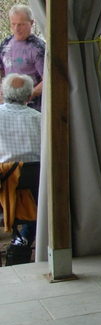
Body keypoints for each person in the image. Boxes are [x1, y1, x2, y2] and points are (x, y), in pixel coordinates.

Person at [0, 73, 41, 248]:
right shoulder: (40, 119)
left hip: (2, 186)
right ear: (29, 95)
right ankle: (23, 241)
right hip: (35, 189)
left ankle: (19, 242)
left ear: (3, 92)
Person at [0, 5, 45, 111]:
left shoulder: (38, 48)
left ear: (31, 23)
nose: (17, 29)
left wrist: (30, 95)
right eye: (13, 24)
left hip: (32, 106)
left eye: (21, 24)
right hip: (8, 104)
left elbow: (48, 79)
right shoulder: (6, 43)